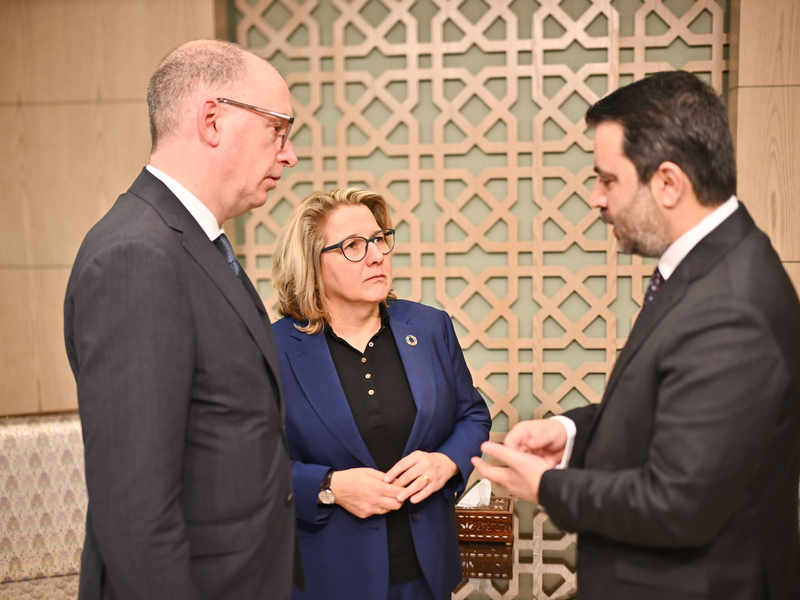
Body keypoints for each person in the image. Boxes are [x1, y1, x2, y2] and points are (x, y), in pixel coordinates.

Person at [474, 70, 800, 600]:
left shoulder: (732, 306)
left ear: (668, 182)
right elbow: (670, 411)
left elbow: (679, 505)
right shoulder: (707, 265)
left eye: (608, 179)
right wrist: (571, 433)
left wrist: (547, 487)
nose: (597, 198)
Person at [64, 40, 302, 600]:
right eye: (279, 130)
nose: (290, 156)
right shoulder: (136, 256)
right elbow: (135, 511)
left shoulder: (195, 243)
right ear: (213, 119)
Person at [270, 188, 492, 600]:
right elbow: (250, 465)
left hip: (425, 572)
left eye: (379, 240)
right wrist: (329, 486)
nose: (376, 256)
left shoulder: (429, 327)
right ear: (311, 263)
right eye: (353, 246)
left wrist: (446, 462)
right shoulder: (274, 349)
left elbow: (473, 416)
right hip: (326, 577)